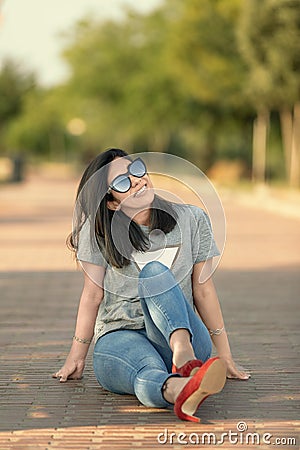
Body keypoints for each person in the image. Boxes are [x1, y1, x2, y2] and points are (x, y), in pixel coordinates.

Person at [52, 148, 250, 422]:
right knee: (145, 371)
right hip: (120, 337)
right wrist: (76, 356)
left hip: (187, 337)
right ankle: (179, 389)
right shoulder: (97, 233)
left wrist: (225, 354)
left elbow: (203, 289)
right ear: (111, 203)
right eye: (122, 182)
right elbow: (92, 294)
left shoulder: (192, 219)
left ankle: (183, 354)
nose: (136, 180)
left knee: (154, 271)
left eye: (137, 170)